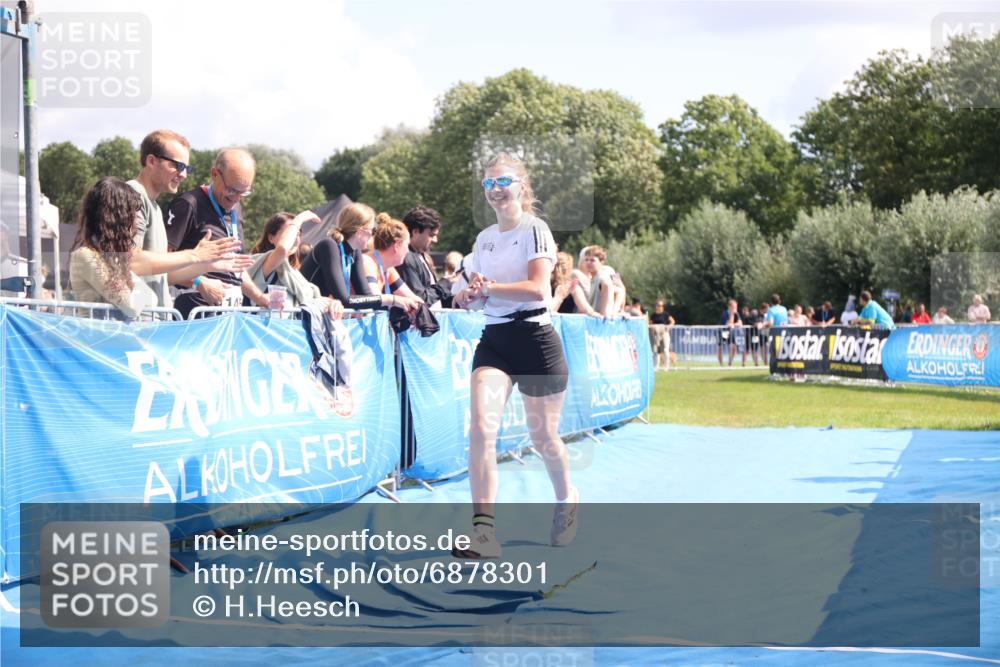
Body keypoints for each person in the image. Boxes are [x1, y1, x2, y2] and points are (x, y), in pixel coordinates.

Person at [451, 152, 577, 559]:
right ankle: (484, 534)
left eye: (503, 181)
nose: (496, 190)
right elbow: (471, 294)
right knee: (481, 431)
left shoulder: (535, 229)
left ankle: (567, 499)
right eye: (488, 184)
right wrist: (467, 295)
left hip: (537, 339)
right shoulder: (483, 239)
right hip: (496, 340)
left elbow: (540, 288)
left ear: (521, 186)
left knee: (544, 438)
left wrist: (488, 290)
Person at [70, 177, 247, 319]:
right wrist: (195, 256)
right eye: (131, 213)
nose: (136, 220)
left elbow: (163, 277)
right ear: (114, 217)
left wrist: (208, 265)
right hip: (100, 350)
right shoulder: (87, 256)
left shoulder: (109, 258)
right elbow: (133, 304)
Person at [165, 148, 270, 318]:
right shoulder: (188, 204)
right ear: (214, 174)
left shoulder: (236, 208)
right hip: (194, 311)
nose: (236, 198)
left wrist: (260, 297)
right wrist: (199, 282)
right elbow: (163, 263)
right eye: (231, 190)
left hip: (230, 313)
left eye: (244, 192)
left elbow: (236, 267)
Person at [299, 202, 420, 313]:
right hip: (301, 315)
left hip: (319, 316)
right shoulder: (329, 246)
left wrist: (404, 308)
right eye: (373, 231)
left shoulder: (355, 253)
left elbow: (366, 295)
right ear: (360, 231)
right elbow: (344, 300)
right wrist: (392, 299)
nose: (374, 236)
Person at [246, 211, 345, 318]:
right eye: (290, 232)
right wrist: (299, 219)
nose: (295, 239)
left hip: (290, 332)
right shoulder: (260, 263)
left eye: (298, 234)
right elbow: (282, 249)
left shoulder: (295, 274)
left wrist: (334, 304)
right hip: (263, 332)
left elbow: (317, 300)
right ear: (271, 238)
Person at [361, 214, 426, 307]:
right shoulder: (368, 261)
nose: (408, 251)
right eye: (407, 245)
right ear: (396, 246)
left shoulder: (389, 269)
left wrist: (418, 307)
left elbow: (413, 298)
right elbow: (374, 297)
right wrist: (394, 299)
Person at [397, 205, 452, 308]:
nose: (435, 240)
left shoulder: (419, 255)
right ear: (415, 232)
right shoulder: (406, 258)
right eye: (431, 235)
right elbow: (420, 299)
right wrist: (445, 284)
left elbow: (433, 298)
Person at [649, 298, 675, 370]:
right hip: (655, 335)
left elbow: (672, 321)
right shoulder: (653, 315)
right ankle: (656, 366)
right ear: (656, 306)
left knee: (666, 350)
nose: (660, 307)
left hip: (664, 333)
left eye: (661, 305)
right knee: (655, 351)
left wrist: (667, 328)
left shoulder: (666, 314)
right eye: (658, 305)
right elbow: (649, 324)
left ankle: (666, 367)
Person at [717, 299, 741, 366]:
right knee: (721, 348)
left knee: (733, 348)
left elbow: (740, 323)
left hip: (730, 332)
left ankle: (730, 363)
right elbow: (729, 323)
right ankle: (721, 364)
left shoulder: (736, 313)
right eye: (734, 307)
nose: (735, 308)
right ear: (729, 306)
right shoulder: (724, 314)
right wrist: (732, 315)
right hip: (723, 332)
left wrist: (734, 324)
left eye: (736, 307)